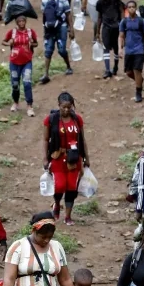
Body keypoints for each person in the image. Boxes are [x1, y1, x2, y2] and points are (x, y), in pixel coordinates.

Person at [43, 92, 89, 226]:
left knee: (72, 187)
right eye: (64, 107)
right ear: (59, 105)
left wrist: (86, 157)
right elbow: (46, 139)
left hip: (74, 158)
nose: (66, 110)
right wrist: (45, 158)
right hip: (57, 157)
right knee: (60, 185)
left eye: (69, 107)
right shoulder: (50, 119)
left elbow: (82, 139)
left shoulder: (77, 119)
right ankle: (57, 203)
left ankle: (68, 216)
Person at [39, 0, 75, 86]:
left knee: (61, 49)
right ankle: (46, 74)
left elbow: (68, 14)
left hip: (61, 26)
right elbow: (44, 15)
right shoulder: (44, 0)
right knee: (48, 49)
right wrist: (44, 28)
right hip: (49, 27)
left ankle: (68, 66)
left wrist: (71, 29)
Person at [2, 16, 39, 116]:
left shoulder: (30, 32)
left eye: (23, 21)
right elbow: (3, 41)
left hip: (27, 61)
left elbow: (36, 43)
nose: (22, 23)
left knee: (27, 83)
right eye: (19, 21)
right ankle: (16, 102)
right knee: (15, 84)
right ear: (16, 22)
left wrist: (32, 43)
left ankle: (29, 106)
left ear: (26, 22)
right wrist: (9, 43)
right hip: (14, 62)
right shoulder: (12, 32)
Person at [119, 0, 144, 103]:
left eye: (133, 7)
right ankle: (139, 81)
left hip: (139, 50)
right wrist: (120, 48)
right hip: (129, 50)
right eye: (129, 7)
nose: (131, 9)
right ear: (127, 9)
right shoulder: (124, 22)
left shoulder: (142, 21)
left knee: (137, 70)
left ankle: (138, 92)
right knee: (129, 72)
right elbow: (121, 36)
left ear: (136, 8)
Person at [95, 0, 123, 79]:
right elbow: (99, 17)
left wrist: (122, 24)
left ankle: (115, 67)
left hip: (116, 26)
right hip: (106, 27)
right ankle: (107, 70)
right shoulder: (99, 3)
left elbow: (121, 10)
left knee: (116, 48)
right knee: (105, 48)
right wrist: (98, 32)